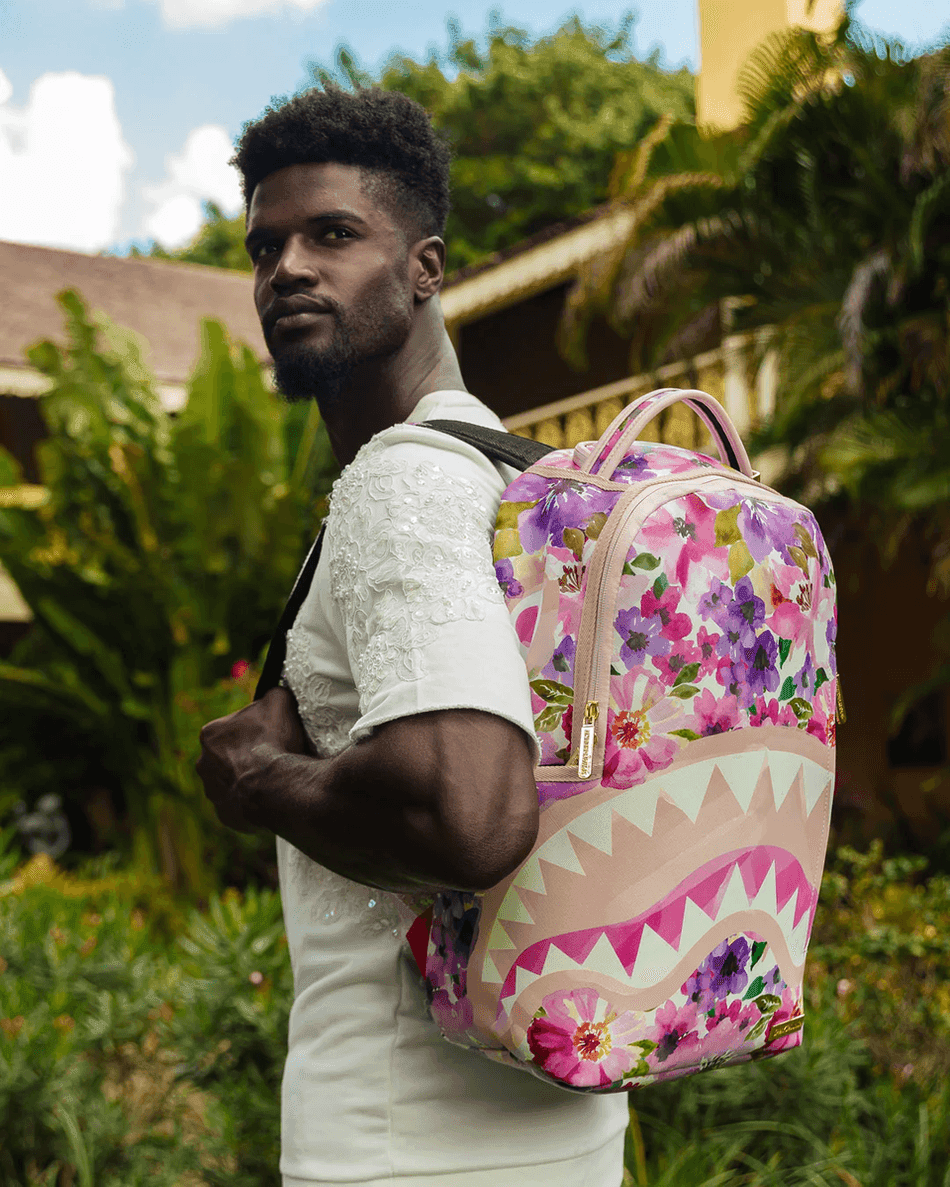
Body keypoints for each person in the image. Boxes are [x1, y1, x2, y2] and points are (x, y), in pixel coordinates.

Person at [195, 85, 629, 1187]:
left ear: (425, 267)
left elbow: (468, 812)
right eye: (265, 247)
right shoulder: (516, 475)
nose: (287, 269)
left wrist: (258, 781)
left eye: (333, 234)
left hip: (403, 1142)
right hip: (567, 1116)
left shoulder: (401, 483)